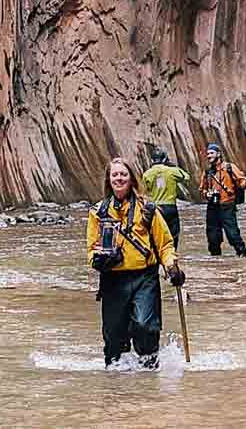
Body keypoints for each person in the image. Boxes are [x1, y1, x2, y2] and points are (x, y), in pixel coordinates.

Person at [86, 156, 183, 366]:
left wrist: (171, 267)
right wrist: (99, 260)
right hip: (112, 279)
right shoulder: (98, 212)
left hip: (144, 277)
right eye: (115, 175)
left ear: (131, 179)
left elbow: (165, 244)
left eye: (123, 174)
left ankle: (149, 379)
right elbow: (91, 249)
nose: (119, 178)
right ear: (108, 179)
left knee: (145, 327)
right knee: (113, 339)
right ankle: (119, 389)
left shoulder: (148, 208)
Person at [201, 142, 246, 257]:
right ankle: (217, 262)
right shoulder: (207, 172)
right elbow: (202, 189)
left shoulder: (229, 167)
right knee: (213, 238)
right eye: (208, 154)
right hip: (212, 207)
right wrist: (206, 194)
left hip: (227, 205)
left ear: (218, 154)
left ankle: (242, 254)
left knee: (232, 234)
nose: (209, 156)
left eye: (211, 153)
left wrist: (244, 183)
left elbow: (242, 180)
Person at [138, 153, 192, 248]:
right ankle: (172, 255)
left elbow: (143, 192)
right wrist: (173, 167)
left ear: (152, 161)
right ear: (164, 160)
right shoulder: (172, 171)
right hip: (171, 207)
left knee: (157, 234)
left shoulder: (147, 174)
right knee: (173, 235)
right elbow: (186, 177)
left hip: (156, 208)